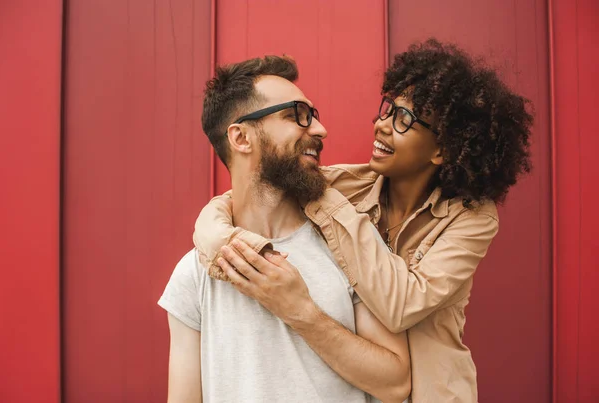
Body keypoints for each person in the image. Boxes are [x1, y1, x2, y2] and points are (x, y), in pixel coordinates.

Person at [193, 39, 533, 402]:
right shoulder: (348, 186)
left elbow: (401, 305)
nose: (382, 126)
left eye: (404, 119)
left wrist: (323, 197)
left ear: (442, 150)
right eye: (388, 109)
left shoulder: (471, 217)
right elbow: (243, 195)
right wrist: (223, 246)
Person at [158, 55, 411, 403]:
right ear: (242, 138)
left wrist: (300, 311)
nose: (320, 130)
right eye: (298, 116)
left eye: (314, 117)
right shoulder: (197, 272)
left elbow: (396, 383)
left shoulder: (348, 243)